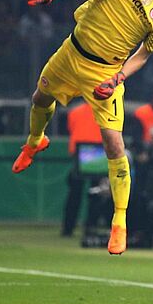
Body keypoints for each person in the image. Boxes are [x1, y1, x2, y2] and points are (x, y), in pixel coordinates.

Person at [12, 0, 153, 255]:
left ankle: (119, 222)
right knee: (40, 97)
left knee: (114, 143)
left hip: (104, 72)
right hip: (72, 51)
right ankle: (35, 141)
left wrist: (118, 78)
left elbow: (143, 54)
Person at [62, 100, 104, 237]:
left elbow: (70, 128)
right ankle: (90, 226)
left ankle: (68, 228)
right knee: (95, 192)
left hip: (81, 152)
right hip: (97, 152)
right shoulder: (106, 110)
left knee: (75, 193)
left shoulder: (75, 111)